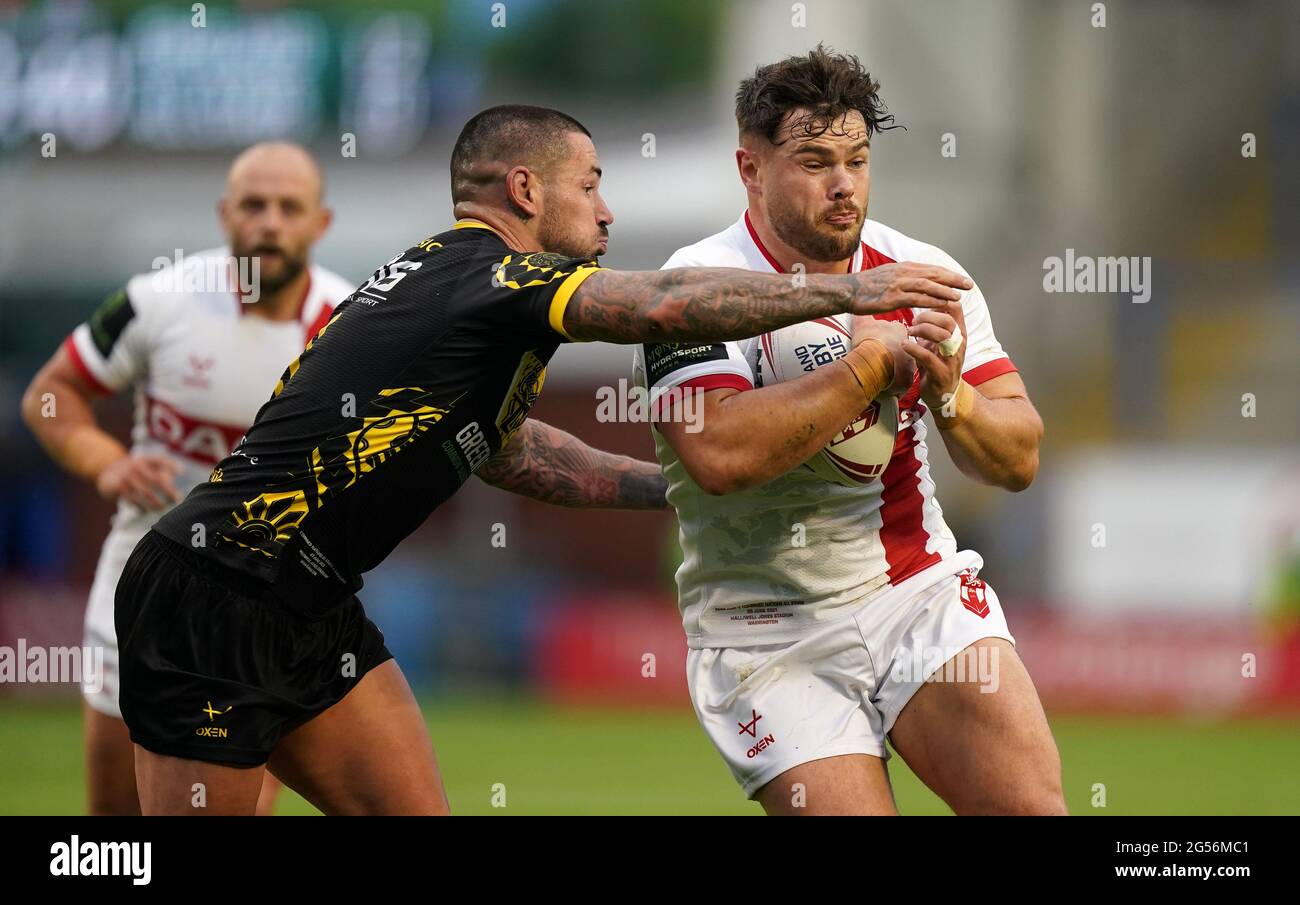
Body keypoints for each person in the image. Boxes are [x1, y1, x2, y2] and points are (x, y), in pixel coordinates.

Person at [112, 104, 972, 814]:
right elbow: (657, 304)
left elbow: (515, 451)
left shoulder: (459, 291)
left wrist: (674, 495)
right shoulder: (492, 273)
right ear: (524, 189)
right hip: (213, 590)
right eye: (590, 185)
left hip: (313, 606)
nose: (605, 212)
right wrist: (847, 289)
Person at [632, 47, 1064, 814]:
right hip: (766, 632)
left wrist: (950, 393)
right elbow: (720, 455)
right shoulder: (691, 288)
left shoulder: (922, 271)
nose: (844, 185)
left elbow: (1020, 453)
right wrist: (867, 368)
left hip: (913, 596)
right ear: (751, 169)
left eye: (857, 160)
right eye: (815, 161)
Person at [21, 142, 353, 815]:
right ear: (224, 214)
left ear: (320, 224)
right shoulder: (159, 301)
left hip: (276, 598)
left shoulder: (353, 327)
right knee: (117, 825)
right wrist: (104, 461)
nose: (269, 221)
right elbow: (49, 395)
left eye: (289, 207)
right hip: (141, 584)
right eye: (253, 204)